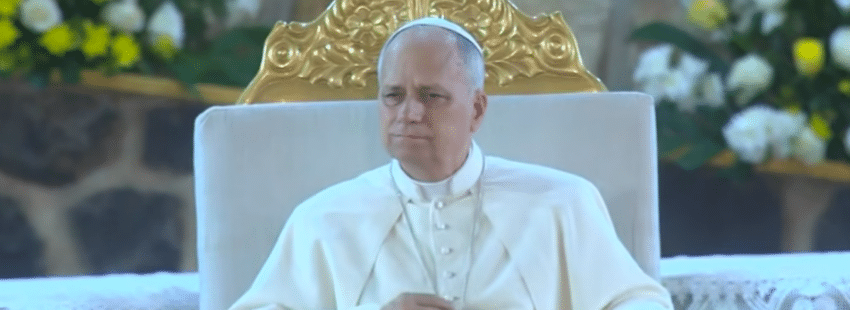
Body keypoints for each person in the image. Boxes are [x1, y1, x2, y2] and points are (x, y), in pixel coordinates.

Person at [229, 17, 673, 310]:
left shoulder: (562, 202)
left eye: (431, 95)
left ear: (477, 109)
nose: (409, 113)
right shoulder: (321, 219)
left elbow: (640, 302)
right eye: (393, 96)